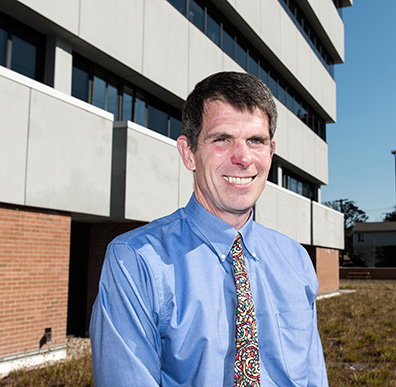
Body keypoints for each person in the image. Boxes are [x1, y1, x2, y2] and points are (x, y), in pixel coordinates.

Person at [90, 71, 328, 387]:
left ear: (271, 153)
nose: (243, 158)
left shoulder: (296, 260)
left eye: (255, 141)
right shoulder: (135, 261)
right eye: (221, 139)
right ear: (189, 153)